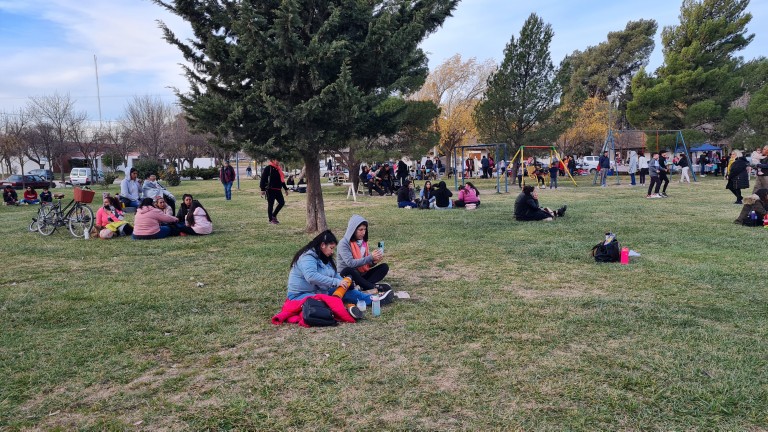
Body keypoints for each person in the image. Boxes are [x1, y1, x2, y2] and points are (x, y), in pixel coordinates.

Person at [287, 230, 387, 316]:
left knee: (345, 291)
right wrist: (336, 282)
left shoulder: (325, 257)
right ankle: (347, 310)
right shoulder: (307, 257)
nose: (332, 252)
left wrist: (344, 283)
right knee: (325, 302)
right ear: (322, 245)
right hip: (300, 295)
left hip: (320, 291)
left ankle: (373, 300)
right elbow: (311, 277)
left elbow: (334, 274)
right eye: (331, 248)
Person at [337, 215, 394, 299]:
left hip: (361, 275)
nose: (363, 232)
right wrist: (370, 257)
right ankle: (373, 287)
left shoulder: (363, 242)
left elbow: (365, 263)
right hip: (348, 276)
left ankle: (364, 286)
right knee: (349, 270)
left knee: (384, 267)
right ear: (353, 230)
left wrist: (373, 261)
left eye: (364, 229)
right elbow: (351, 263)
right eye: (360, 230)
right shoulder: (344, 243)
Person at [260, 158, 289, 224]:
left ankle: (273, 215)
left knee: (282, 202)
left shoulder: (279, 169)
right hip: (270, 189)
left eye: (278, 160)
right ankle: (271, 219)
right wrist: (262, 189)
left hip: (278, 189)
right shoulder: (268, 168)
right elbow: (263, 178)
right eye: (277, 160)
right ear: (272, 160)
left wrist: (285, 189)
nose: (278, 161)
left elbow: (282, 180)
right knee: (271, 204)